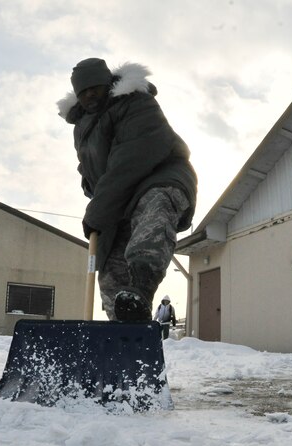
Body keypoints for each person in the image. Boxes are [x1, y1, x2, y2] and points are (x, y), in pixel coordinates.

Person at [57, 58, 197, 321]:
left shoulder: (135, 102)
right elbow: (90, 166)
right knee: (111, 272)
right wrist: (89, 184)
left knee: (153, 212)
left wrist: (98, 207)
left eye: (95, 87)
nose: (89, 94)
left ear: (108, 83)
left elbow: (132, 159)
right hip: (116, 200)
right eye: (83, 91)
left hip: (156, 178)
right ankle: (124, 335)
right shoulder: (82, 127)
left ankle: (140, 289)